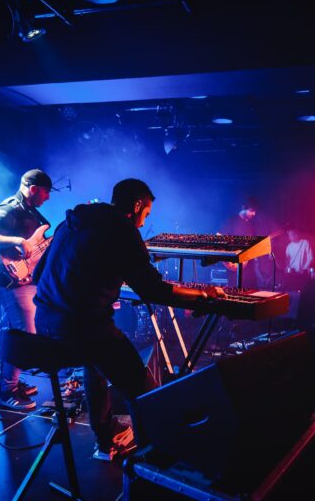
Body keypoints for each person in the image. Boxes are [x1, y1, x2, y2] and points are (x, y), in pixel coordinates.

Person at [33, 178, 222, 461]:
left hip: (45, 324)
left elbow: (38, 275)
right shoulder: (122, 230)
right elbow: (152, 289)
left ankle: (105, 438)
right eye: (145, 214)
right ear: (136, 206)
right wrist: (201, 295)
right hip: (82, 329)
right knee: (144, 390)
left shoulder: (69, 222)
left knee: (94, 362)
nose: (144, 224)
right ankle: (159, 457)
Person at [0, 169, 54, 410]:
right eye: (45, 192)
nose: (47, 198)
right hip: (7, 280)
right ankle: (7, 391)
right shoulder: (8, 208)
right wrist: (17, 241)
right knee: (24, 332)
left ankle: (13, 382)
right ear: (33, 189)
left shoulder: (32, 212)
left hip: (26, 280)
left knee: (29, 330)